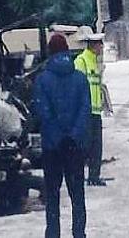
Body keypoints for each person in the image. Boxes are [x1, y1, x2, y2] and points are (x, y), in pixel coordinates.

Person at [33, 34, 90, 238]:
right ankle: (79, 233)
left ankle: (53, 233)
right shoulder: (80, 78)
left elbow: (42, 111)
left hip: (52, 147)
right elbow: (85, 109)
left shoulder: (42, 79)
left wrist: (57, 136)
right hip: (75, 146)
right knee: (77, 196)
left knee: (52, 195)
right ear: (66, 50)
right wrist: (73, 135)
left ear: (50, 52)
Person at [74, 30, 107, 186]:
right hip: (85, 112)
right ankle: (80, 175)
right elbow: (78, 87)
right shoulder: (82, 61)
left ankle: (94, 175)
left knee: (96, 146)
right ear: (94, 45)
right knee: (84, 146)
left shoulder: (95, 61)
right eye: (100, 44)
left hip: (95, 111)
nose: (102, 47)